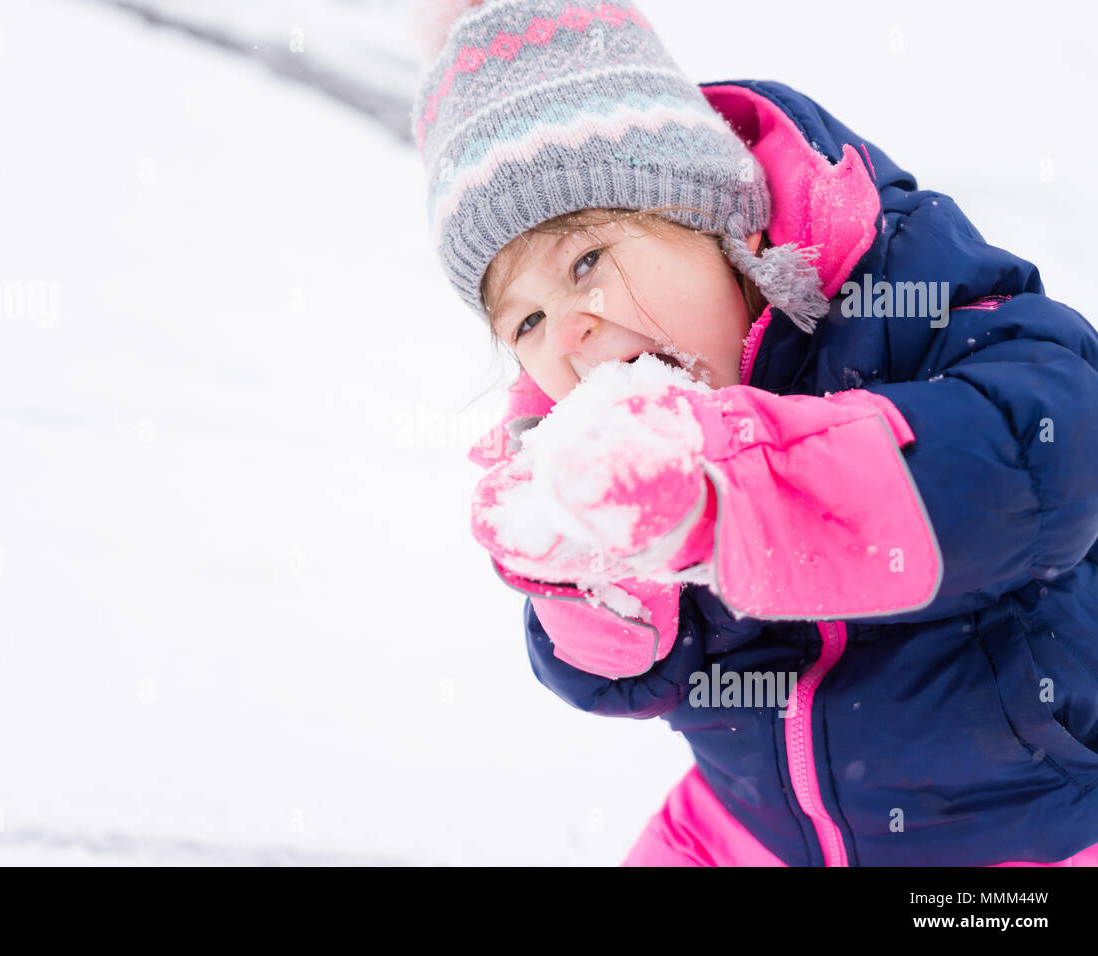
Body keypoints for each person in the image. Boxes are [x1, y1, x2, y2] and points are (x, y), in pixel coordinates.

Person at [408, 0, 1098, 866]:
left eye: (585, 260)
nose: (565, 336)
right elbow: (625, 676)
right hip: (754, 827)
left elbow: (1044, 453)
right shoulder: (572, 435)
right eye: (526, 322)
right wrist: (588, 577)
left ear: (716, 222)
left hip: (1027, 822)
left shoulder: (895, 290)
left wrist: (730, 490)